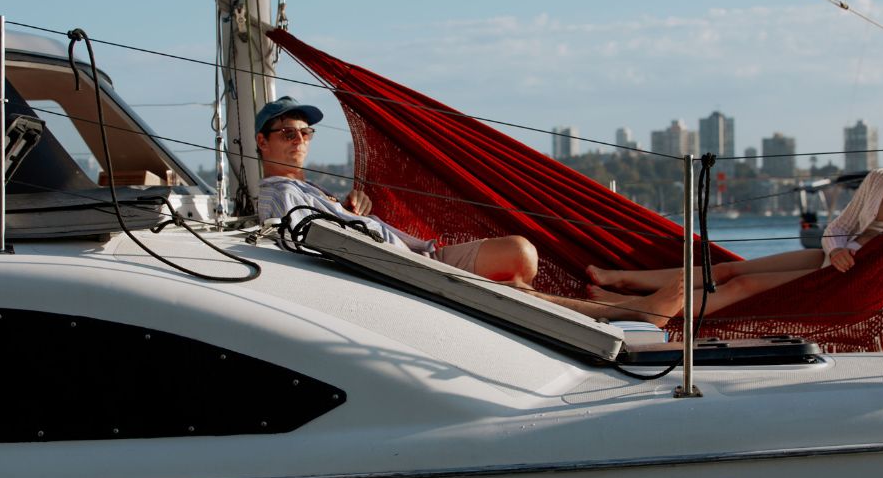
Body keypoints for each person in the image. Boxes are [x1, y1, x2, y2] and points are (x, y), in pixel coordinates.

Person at [254, 97, 684, 325]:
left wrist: (354, 210)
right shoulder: (277, 194)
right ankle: (632, 311)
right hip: (397, 272)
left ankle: (583, 304)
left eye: (305, 132)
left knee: (521, 256)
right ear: (262, 141)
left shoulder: (306, 188)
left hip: (414, 257)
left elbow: (323, 227)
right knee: (516, 279)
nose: (299, 140)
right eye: (287, 133)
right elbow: (297, 249)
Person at [586, 102, 883, 315]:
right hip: (837, 260)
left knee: (740, 287)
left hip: (868, 277)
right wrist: (835, 249)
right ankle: (621, 280)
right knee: (728, 268)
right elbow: (838, 226)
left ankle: (647, 310)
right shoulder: (879, 179)